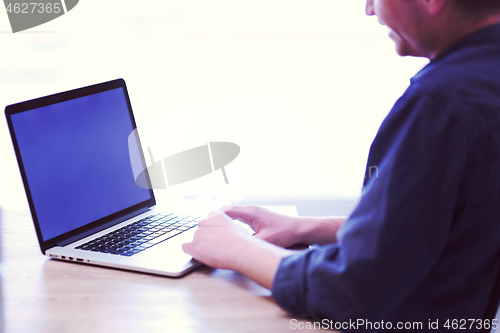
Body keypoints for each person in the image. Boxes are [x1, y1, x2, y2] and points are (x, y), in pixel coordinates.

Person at [183, 0, 500, 330]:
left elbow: (353, 291)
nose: (368, 9)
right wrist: (307, 228)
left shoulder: (443, 103)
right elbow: (431, 225)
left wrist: (237, 248)